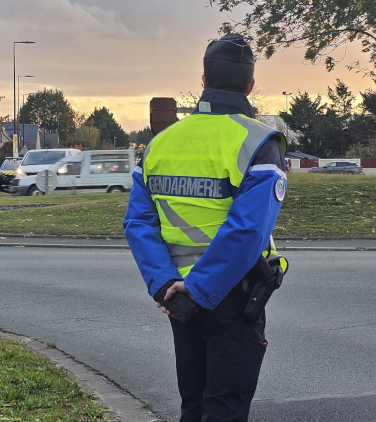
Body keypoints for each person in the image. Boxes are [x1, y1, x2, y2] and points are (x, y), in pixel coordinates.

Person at [123, 33, 287, 422]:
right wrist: (198, 290)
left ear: (203, 80)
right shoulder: (259, 141)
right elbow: (247, 231)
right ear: (250, 84)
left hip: (178, 299)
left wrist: (167, 287)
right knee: (225, 408)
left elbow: (138, 222)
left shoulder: (160, 144)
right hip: (231, 295)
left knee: (193, 406)